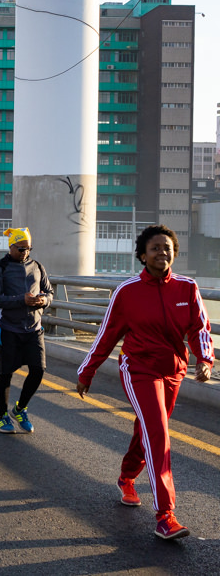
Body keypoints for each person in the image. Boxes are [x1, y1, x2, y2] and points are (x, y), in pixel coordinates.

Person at [77, 225, 213, 540]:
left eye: (167, 247)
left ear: (174, 252)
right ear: (143, 255)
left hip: (173, 371)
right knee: (158, 433)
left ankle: (126, 477)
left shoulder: (187, 288)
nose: (161, 252)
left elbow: (199, 327)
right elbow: (107, 335)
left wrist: (204, 360)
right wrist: (88, 371)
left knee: (148, 429)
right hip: (137, 369)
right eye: (155, 248)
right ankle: (165, 515)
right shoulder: (127, 292)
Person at [0, 227, 52, 434]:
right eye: (20, 248)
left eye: (28, 248)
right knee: (5, 373)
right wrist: (20, 300)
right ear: (11, 246)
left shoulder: (38, 266)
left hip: (34, 327)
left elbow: (49, 292)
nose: (25, 252)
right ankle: (2, 416)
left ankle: (20, 408)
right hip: (8, 327)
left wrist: (44, 300)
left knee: (38, 370)